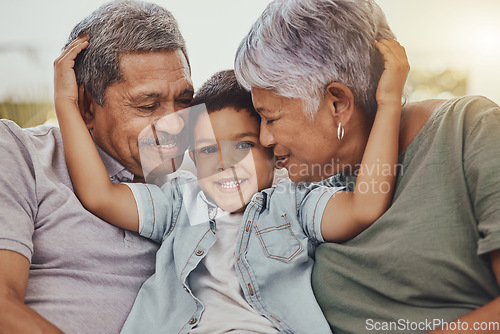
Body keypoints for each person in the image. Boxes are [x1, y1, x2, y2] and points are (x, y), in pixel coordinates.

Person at [54, 28, 408, 332]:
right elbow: (99, 195)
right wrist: (67, 104)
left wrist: (388, 103)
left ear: (272, 151)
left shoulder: (294, 204)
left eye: (243, 145)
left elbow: (363, 208)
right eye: (208, 150)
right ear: (192, 157)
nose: (224, 163)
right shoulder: (181, 202)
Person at [234, 0, 500, 333]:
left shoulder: (468, 132)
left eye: (271, 117)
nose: (265, 138)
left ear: (337, 103)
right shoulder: (305, 188)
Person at [0, 0, 193, 332]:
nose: (174, 123)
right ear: (87, 107)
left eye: (185, 101)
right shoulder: (20, 153)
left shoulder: (198, 187)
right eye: (148, 105)